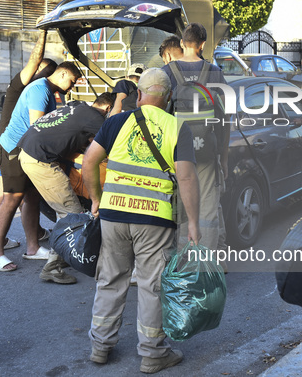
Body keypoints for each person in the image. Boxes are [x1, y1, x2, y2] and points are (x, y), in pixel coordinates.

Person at [82, 68, 200, 373]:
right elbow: (186, 177)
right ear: (169, 96)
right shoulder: (177, 127)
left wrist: (96, 199)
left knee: (110, 279)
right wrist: (194, 223)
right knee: (151, 285)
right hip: (154, 219)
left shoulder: (116, 121)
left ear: (138, 94)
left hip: (114, 213)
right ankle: (152, 353)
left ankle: (100, 346)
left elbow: (89, 162)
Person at [0, 61, 81, 273]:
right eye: (72, 81)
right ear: (63, 74)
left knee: (32, 198)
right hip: (13, 149)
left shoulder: (47, 90)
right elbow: (37, 127)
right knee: (12, 198)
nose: (72, 87)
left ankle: (32, 248)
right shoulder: (40, 90)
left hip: (28, 151)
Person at [17, 92, 114, 282]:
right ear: (108, 109)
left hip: (28, 150)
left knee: (68, 210)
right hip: (40, 160)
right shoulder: (96, 117)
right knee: (71, 214)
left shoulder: (78, 108)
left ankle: (64, 255)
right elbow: (111, 144)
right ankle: (52, 268)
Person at [161, 22, 230, 257]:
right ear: (202, 45)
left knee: (181, 204)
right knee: (208, 207)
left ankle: (183, 261)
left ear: (182, 43)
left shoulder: (168, 72)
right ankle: (206, 263)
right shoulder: (214, 72)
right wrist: (224, 157)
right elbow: (225, 117)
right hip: (207, 150)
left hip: (176, 152)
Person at [0, 25, 56, 250]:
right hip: (4, 143)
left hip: (13, 143)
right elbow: (34, 59)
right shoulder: (22, 84)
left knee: (26, 196)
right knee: (9, 195)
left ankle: (32, 239)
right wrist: (43, 32)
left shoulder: (38, 90)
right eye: (45, 71)